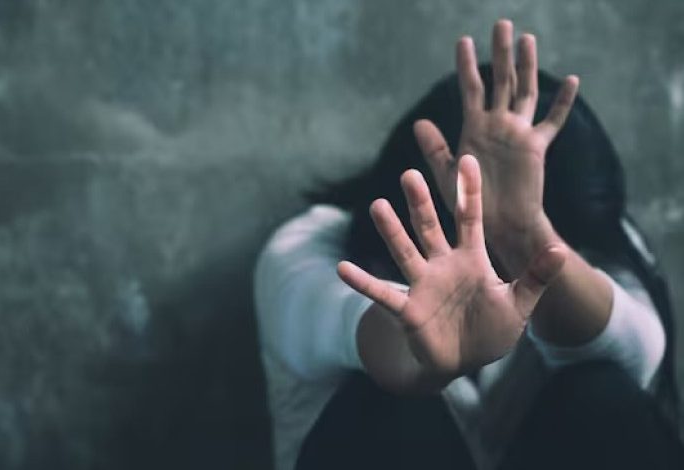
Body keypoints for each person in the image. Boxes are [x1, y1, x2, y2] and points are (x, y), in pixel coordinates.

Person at [254, 20, 683, 470]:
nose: (495, 273)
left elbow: (636, 353)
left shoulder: (599, 237)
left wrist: (522, 233)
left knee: (602, 394)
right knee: (383, 405)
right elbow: (346, 320)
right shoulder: (308, 247)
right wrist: (422, 348)